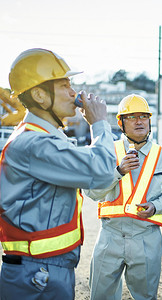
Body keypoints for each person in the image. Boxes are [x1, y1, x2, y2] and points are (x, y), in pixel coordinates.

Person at [0, 48, 117, 299]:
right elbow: (104, 171)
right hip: (37, 274)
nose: (74, 93)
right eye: (64, 85)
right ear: (40, 95)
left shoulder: (46, 138)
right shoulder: (35, 144)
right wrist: (98, 123)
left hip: (44, 269)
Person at [85, 94, 162, 300]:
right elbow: (92, 192)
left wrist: (155, 206)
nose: (139, 121)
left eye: (143, 116)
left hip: (146, 237)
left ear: (149, 120)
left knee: (145, 297)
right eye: (132, 117)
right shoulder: (108, 151)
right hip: (110, 235)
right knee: (100, 296)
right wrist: (118, 171)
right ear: (120, 122)